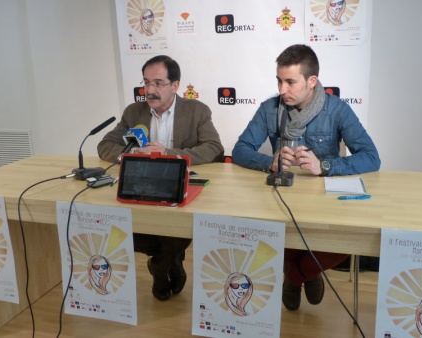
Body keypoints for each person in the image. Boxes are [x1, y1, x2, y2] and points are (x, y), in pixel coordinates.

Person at [231, 44, 380, 311]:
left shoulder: (337, 110)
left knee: (345, 241)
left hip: (324, 206)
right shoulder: (269, 109)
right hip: (281, 202)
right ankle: (308, 272)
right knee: (269, 234)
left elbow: (371, 157)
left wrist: (324, 165)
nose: (281, 90)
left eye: (290, 82)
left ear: (312, 81)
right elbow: (240, 150)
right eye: (279, 80)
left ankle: (298, 276)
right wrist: (270, 162)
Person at [98, 55, 224, 301]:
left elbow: (213, 148)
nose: (150, 90)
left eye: (158, 83)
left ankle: (159, 267)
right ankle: (171, 261)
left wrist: (167, 154)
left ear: (175, 86)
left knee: (182, 223)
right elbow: (105, 146)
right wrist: (134, 153)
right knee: (137, 229)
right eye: (146, 83)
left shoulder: (197, 111)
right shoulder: (134, 112)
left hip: (179, 186)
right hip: (143, 185)